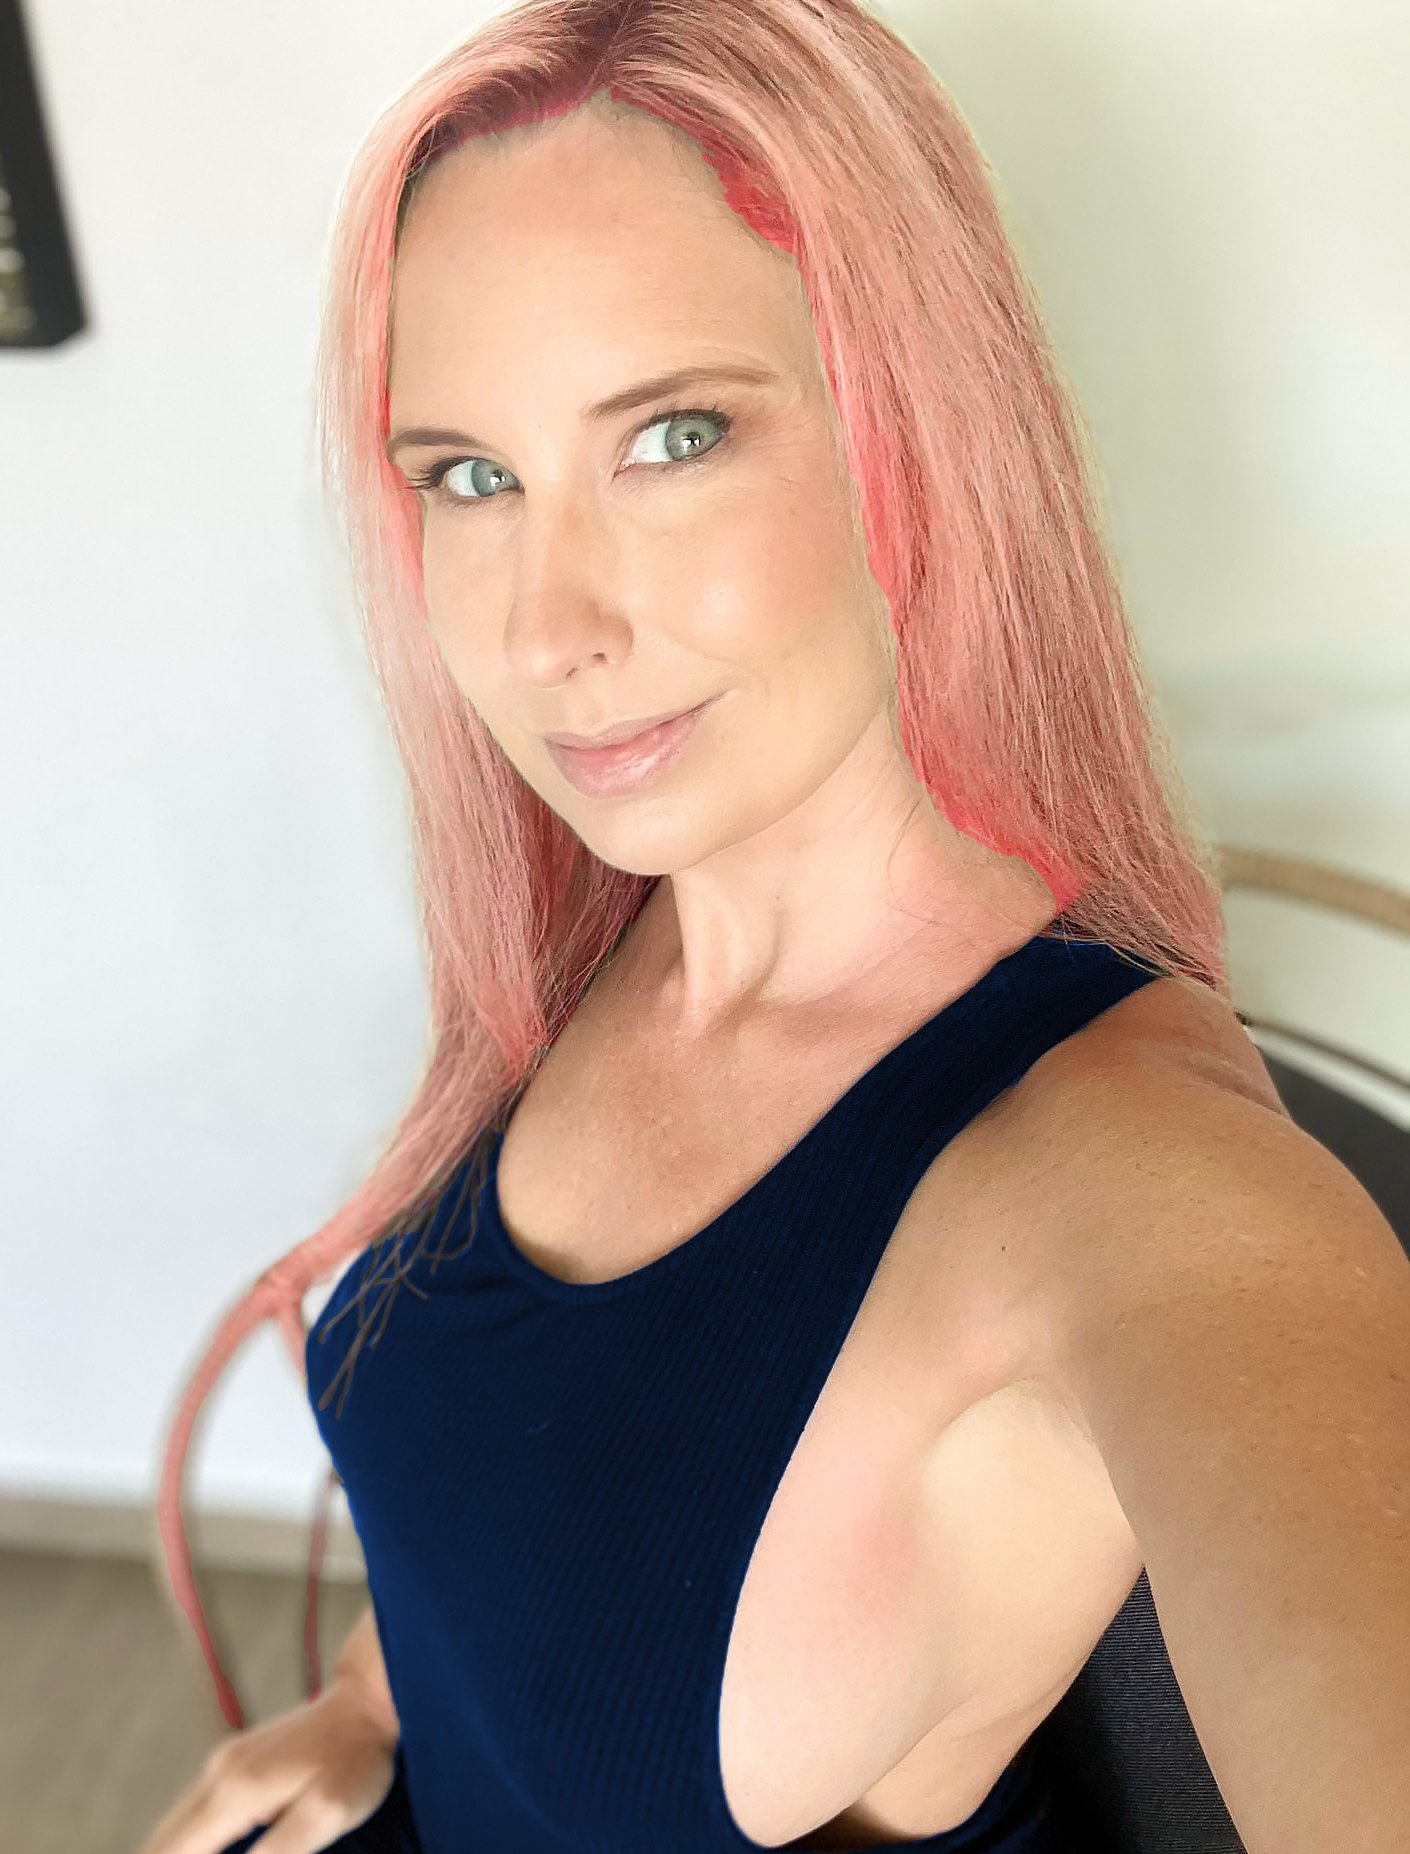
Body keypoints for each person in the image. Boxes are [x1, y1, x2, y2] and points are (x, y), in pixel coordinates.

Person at [141, 4, 1410, 1852]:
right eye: (469, 475)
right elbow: (508, 1505)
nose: (544, 630)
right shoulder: (593, 945)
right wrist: (365, 1707)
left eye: (672, 436)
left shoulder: (1141, 1194)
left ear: (928, 441)